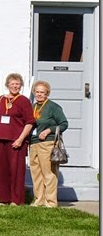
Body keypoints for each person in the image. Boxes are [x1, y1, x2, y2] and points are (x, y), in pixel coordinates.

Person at [0, 73, 35, 206]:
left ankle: (16, 200)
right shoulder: (1, 99)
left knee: (16, 171)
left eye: (17, 84)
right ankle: (3, 199)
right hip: (0, 139)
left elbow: (29, 122)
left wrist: (21, 139)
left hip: (16, 141)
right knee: (1, 170)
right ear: (7, 85)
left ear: (21, 86)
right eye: (12, 84)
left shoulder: (23, 100)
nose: (15, 86)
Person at [28, 80, 68, 208]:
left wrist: (49, 130)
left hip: (47, 143)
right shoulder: (32, 107)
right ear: (34, 92)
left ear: (47, 94)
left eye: (42, 92)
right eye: (37, 92)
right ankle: (39, 200)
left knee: (49, 173)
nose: (39, 94)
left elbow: (64, 124)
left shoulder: (53, 107)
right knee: (36, 173)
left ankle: (50, 202)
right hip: (33, 144)